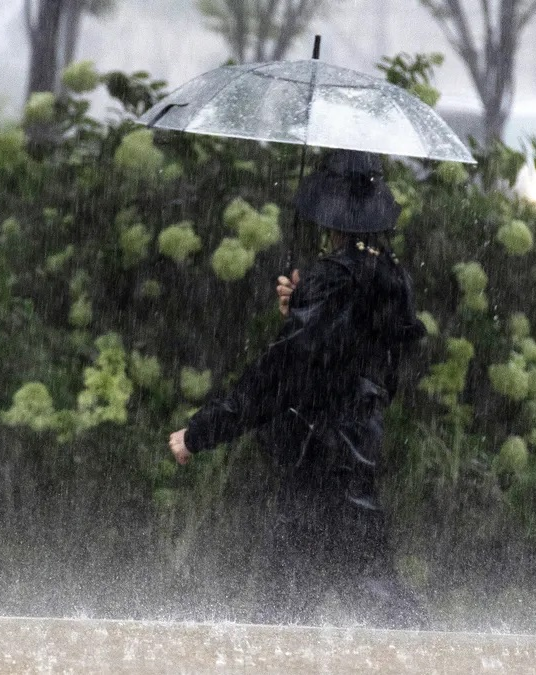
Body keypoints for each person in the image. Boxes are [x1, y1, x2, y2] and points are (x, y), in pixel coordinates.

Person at [167, 149, 428, 629]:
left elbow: (280, 374)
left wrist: (202, 431)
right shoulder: (391, 276)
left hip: (323, 458)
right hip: (351, 454)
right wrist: (305, 312)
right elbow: (376, 369)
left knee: (343, 604)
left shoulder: (333, 278)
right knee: (302, 605)